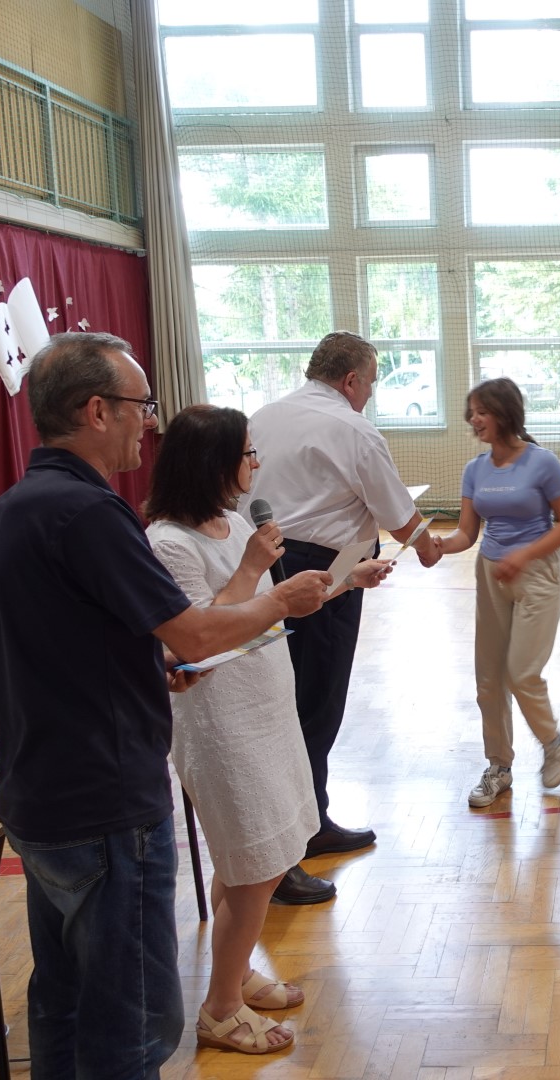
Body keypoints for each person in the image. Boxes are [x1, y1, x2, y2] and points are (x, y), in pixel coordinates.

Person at [0, 333, 334, 1078]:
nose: (149, 421)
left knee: (65, 1003)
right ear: (96, 410)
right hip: (102, 798)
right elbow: (195, 630)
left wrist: (148, 666)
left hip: (40, 788)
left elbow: (70, 642)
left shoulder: (11, 508)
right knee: (132, 1020)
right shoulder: (89, 513)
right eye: (141, 405)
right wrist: (280, 601)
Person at [145, 405, 391, 1054]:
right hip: (219, 721)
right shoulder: (167, 543)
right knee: (255, 865)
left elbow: (271, 611)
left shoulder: (231, 523)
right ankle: (221, 1010)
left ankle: (237, 973)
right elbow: (196, 638)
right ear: (213, 462)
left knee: (250, 858)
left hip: (265, 705)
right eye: (247, 453)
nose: (257, 464)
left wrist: (345, 582)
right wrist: (254, 567)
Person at [248, 332, 441, 898]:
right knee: (314, 704)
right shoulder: (354, 428)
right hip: (320, 573)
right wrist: (430, 548)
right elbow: (398, 513)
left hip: (263, 561)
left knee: (288, 698)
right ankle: (290, 846)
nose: (371, 394)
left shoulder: (264, 415)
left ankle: (311, 820)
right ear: (351, 379)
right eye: (371, 383)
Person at [437, 377, 560, 808]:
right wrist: (438, 546)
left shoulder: (543, 462)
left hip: (538, 575)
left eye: (482, 411)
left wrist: (524, 555)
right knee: (488, 680)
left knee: (521, 673)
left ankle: (553, 742)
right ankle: (498, 766)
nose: (474, 419)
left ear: (505, 413)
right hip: (490, 573)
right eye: (472, 412)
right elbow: (466, 533)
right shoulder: (474, 469)